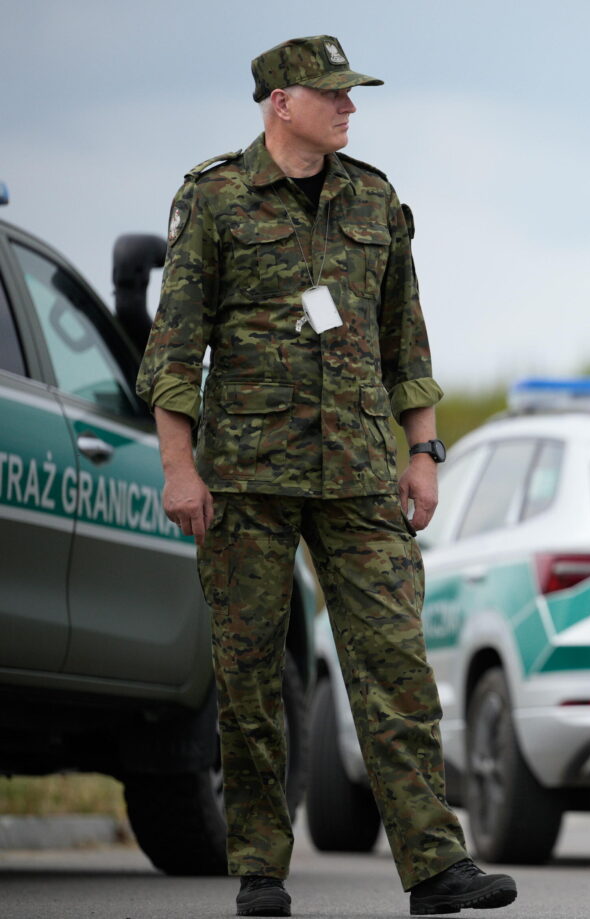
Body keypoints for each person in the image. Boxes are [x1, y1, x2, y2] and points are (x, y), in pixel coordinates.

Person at [136, 35, 517, 918]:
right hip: (247, 480)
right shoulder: (216, 198)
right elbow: (173, 348)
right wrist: (178, 468)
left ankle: (434, 866)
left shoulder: (374, 199)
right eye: (332, 94)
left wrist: (421, 453)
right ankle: (262, 867)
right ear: (280, 103)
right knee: (254, 676)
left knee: (396, 668)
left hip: (357, 478)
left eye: (351, 95)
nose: (349, 108)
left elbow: (405, 341)